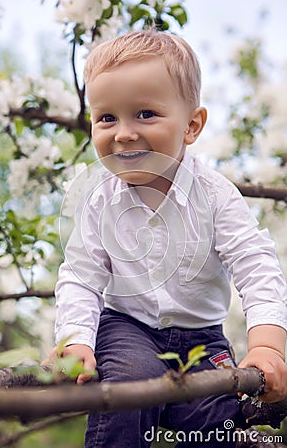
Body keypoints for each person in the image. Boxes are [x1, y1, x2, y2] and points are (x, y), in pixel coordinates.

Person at [45, 30, 287, 447]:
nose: (123, 133)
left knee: (217, 419)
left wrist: (268, 344)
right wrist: (77, 340)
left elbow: (254, 263)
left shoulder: (214, 195)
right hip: (127, 327)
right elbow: (81, 277)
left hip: (203, 335)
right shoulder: (98, 199)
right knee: (129, 387)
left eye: (144, 114)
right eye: (107, 118)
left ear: (191, 125)